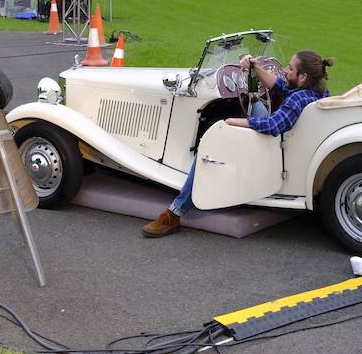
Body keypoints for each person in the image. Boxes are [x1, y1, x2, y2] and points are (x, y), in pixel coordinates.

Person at [142, 49, 334, 238]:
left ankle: (174, 213)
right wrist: (255, 67)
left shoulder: (297, 98)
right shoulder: (316, 92)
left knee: (211, 145)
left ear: (303, 77)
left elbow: (272, 125)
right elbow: (279, 86)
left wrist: (231, 122)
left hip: (273, 149)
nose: (285, 70)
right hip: (284, 147)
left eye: (290, 69)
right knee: (256, 103)